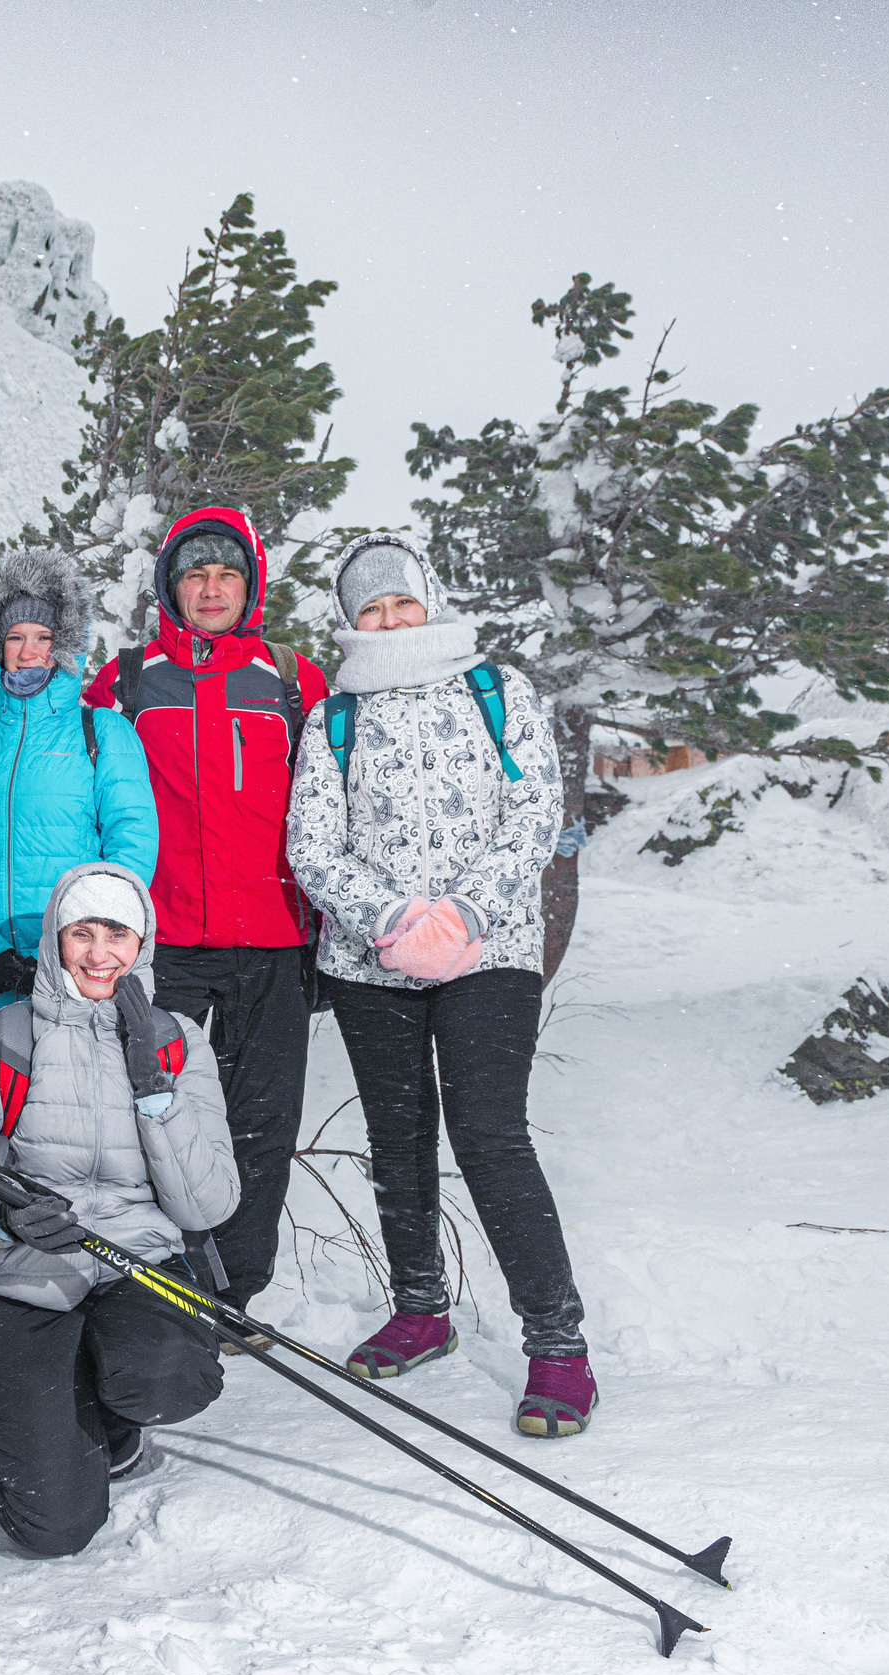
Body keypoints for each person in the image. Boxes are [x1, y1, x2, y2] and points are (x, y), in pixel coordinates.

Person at [284, 535, 591, 1438]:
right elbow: (312, 843)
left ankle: (558, 1342)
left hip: (488, 952)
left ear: (430, 600)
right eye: (370, 608)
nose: (389, 620)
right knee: (399, 1136)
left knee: (490, 1135)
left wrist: (461, 914)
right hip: (371, 961)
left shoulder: (497, 690)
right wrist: (391, 919)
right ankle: (420, 1307)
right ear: (349, 619)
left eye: (401, 602)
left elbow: (535, 812)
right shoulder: (334, 717)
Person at [0, 863, 238, 1558]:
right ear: (56, 939)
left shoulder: (178, 1040)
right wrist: (1, 1219)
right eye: (81, 932)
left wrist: (154, 1088)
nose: (99, 953)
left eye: (117, 934)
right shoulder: (4, 1032)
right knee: (55, 1526)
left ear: (142, 942)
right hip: (20, 1274)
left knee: (168, 1379)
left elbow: (207, 1202)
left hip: (134, 1264)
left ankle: (94, 1390)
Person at [82, 506, 332, 1336]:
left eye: (228, 574)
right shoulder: (125, 683)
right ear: (171, 587)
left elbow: (341, 796)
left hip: (274, 939)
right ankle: (165, 1276)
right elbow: (54, 757)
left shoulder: (292, 681)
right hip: (165, 943)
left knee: (262, 1120)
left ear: (251, 586)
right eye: (196, 574)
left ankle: (235, 1291)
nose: (213, 588)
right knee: (156, 1109)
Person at [0, 548, 157, 1060]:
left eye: (43, 637)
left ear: (63, 644)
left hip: (78, 986)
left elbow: (132, 846)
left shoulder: (102, 732)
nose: (28, 652)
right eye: (15, 637)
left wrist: (88, 950)